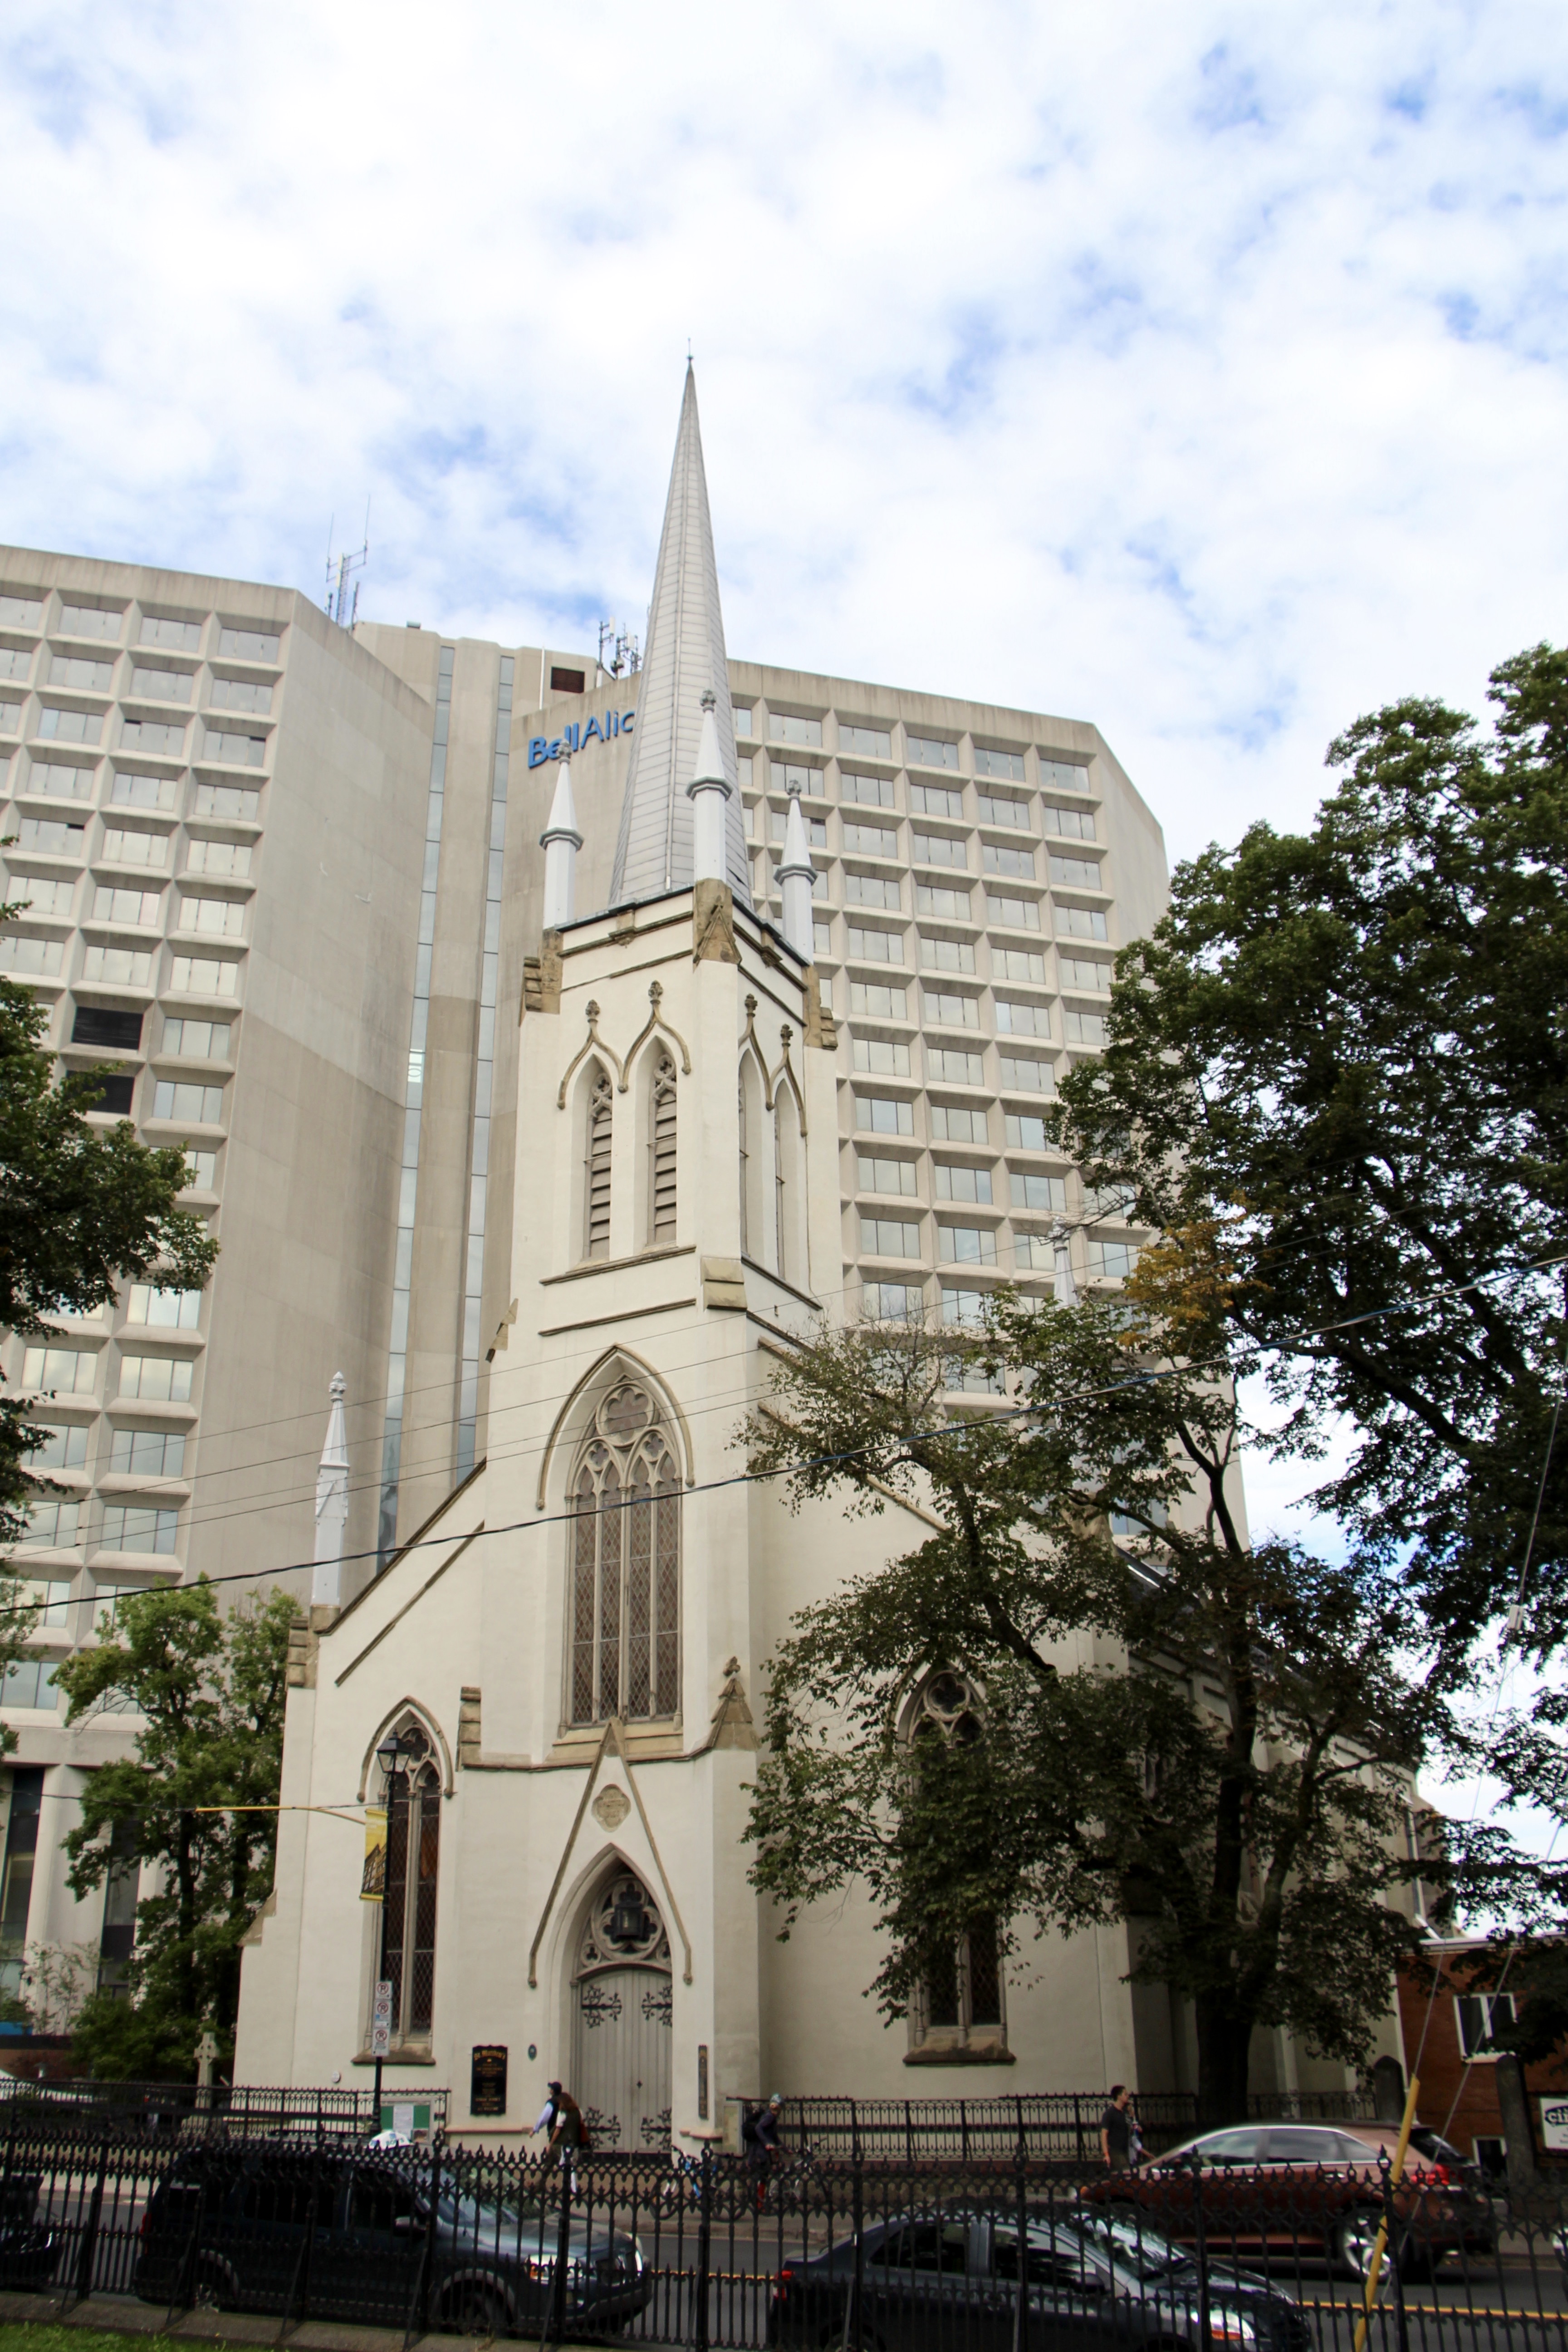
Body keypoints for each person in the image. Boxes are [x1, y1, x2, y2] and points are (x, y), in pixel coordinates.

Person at [534, 2079, 589, 2193]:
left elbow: (558, 2130)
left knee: (566, 2166)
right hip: (574, 2143)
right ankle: (540, 2184)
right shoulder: (579, 2112)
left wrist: (551, 2143)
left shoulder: (562, 2113)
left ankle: (572, 2190)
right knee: (557, 2163)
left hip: (561, 2144)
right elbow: (581, 2124)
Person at [742, 2092, 784, 2207]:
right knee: (762, 2176)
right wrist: (767, 2144)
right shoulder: (769, 2117)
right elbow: (758, 2128)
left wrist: (785, 2148)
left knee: (763, 2176)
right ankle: (759, 2203)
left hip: (762, 2152)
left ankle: (759, 2202)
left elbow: (775, 2137)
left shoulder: (772, 2118)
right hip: (760, 2153)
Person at [1100, 2084, 1134, 2172]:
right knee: (1126, 2172)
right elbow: (1104, 2134)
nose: (1128, 2096)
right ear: (1119, 2097)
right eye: (1125, 2094)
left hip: (1125, 2150)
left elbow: (1130, 2127)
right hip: (1115, 2151)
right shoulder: (1110, 2114)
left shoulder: (1125, 2112)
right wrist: (1106, 2154)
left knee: (1122, 2175)